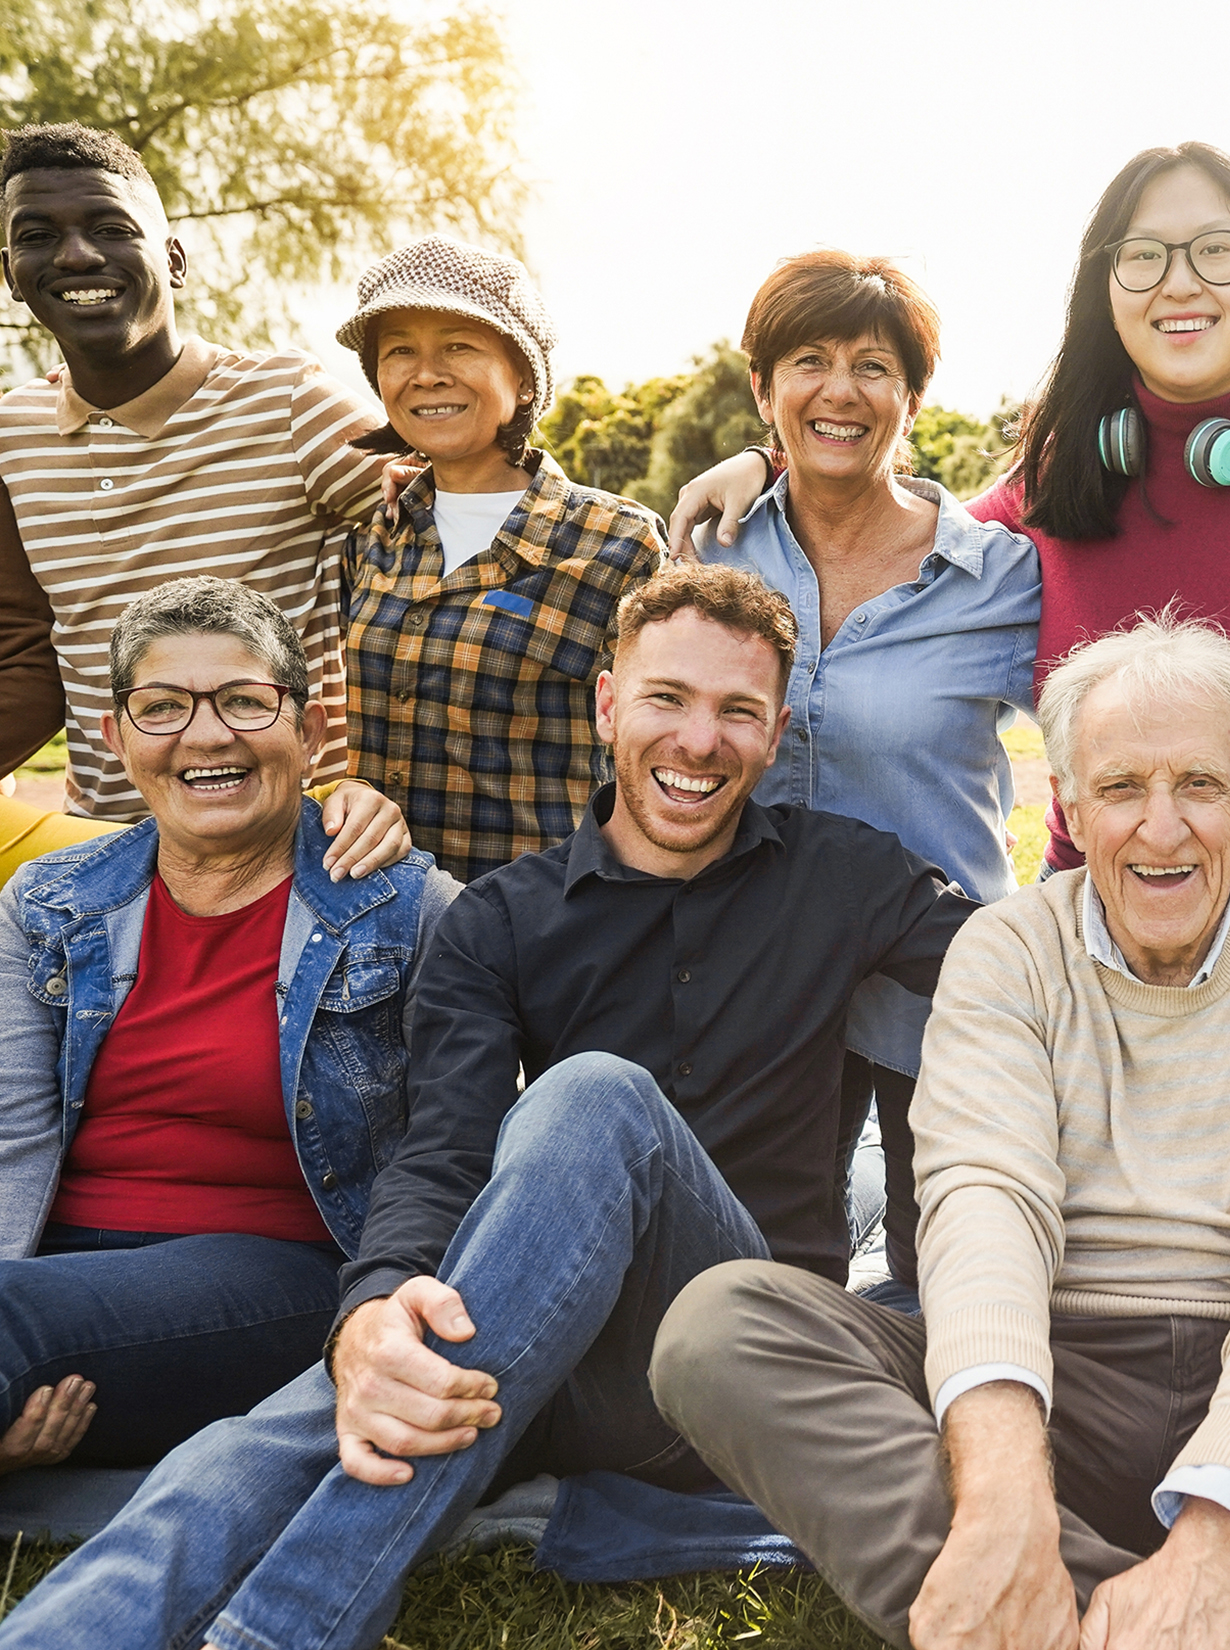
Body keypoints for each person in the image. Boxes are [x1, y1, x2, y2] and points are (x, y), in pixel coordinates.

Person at [0, 561, 977, 1650]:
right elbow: (440, 1150)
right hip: (539, 1348)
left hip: (741, 1357)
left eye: (735, 712)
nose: (698, 742)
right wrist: (371, 1313)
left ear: (774, 727)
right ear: (608, 702)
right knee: (306, 1418)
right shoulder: (503, 919)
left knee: (594, 1097)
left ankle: (278, 1633)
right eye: (666, 699)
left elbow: (1019, 961)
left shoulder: (840, 874)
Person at [652, 614, 1230, 1650]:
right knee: (719, 1327)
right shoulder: (1007, 950)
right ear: (1066, 803)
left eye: (1199, 787)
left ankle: (1085, 1612)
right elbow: (984, 1207)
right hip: (1050, 1379)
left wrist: (1220, 1534)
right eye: (1119, 789)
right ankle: (1085, 1591)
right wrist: (998, 1498)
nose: (1159, 830)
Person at [679, 241, 1230, 1292]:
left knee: (947, 1271)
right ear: (760, 385)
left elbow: (1147, 698)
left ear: (910, 396)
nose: (840, 390)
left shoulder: (996, 571)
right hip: (754, 985)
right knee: (764, 1282)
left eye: (873, 367)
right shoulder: (711, 548)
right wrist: (761, 465)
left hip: (934, 989)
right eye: (807, 361)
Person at [672, 142, 1230, 883]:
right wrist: (772, 461)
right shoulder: (1059, 481)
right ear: (1106, 292)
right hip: (1088, 960)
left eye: (1218, 250)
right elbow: (884, 528)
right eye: (1143, 256)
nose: (1179, 282)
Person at [0, 577, 458, 1479]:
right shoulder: (47, 904)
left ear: (310, 731)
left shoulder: (407, 909)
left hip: (280, 1279)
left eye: (245, 702)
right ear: (118, 740)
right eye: (162, 708)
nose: (205, 737)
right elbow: (10, 1130)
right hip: (45, 1274)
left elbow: (452, 1151)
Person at [0, 121, 402, 876]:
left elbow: (465, 495)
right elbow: (23, 655)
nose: (77, 255)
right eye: (37, 235)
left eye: (111, 228)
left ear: (174, 259)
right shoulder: (10, 437)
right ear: (10, 272)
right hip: (106, 857)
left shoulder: (288, 402)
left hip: (291, 849)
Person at [336, 236, 664, 881]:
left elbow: (665, 749)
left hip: (541, 931)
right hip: (379, 925)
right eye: (400, 349)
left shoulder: (619, 543)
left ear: (521, 377)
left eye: (459, 345)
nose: (426, 373)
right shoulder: (372, 540)